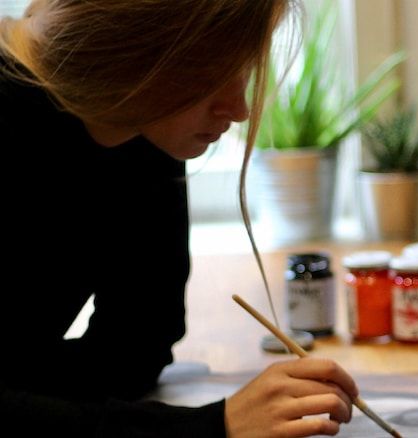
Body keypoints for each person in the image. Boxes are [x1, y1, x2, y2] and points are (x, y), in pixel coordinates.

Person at [0, 1, 357, 436]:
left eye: (245, 66)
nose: (240, 107)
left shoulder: (142, 127)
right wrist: (213, 426)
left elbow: (136, 349)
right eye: (212, 70)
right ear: (134, 44)